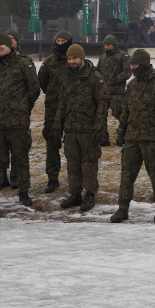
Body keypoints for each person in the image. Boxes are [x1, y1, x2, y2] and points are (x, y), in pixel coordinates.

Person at [111, 49, 155, 223]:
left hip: (151, 139)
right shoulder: (131, 85)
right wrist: (121, 132)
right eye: (131, 64)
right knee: (126, 175)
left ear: (144, 64)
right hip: (132, 139)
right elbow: (126, 112)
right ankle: (123, 208)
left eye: (135, 64)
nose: (132, 67)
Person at [0, 34, 41, 207]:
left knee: (20, 158)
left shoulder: (23, 63)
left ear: (10, 46)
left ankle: (23, 192)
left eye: (2, 44)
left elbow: (34, 88)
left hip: (17, 121)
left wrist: (21, 107)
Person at [54, 44, 108, 212]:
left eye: (74, 59)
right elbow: (62, 102)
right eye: (69, 59)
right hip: (71, 128)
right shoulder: (66, 77)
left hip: (88, 129)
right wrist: (57, 125)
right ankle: (75, 193)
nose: (71, 62)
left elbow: (102, 104)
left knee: (89, 163)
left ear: (82, 58)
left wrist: (98, 128)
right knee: (72, 162)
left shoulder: (94, 77)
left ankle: (90, 193)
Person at [37, 30, 73, 193]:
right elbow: (42, 82)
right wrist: (54, 95)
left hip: (73, 109)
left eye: (63, 41)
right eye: (58, 40)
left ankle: (75, 179)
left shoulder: (75, 60)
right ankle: (52, 179)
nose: (60, 44)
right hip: (52, 109)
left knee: (73, 146)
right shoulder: (48, 62)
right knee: (52, 144)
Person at [96, 34, 131, 146]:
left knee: (120, 114)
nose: (106, 47)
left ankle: (127, 135)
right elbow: (97, 72)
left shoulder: (123, 56)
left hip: (117, 92)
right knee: (100, 115)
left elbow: (127, 72)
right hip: (103, 92)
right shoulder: (102, 57)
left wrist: (114, 81)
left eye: (108, 45)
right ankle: (103, 140)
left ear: (114, 45)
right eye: (105, 45)